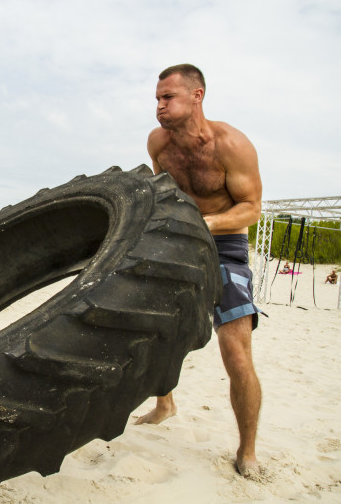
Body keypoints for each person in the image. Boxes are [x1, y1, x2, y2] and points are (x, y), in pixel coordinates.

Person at [138, 64, 264, 478]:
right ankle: (165, 403)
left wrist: (206, 224)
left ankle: (247, 450)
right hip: (179, 238)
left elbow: (252, 209)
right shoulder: (158, 143)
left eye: (167, 97)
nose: (159, 106)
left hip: (225, 244)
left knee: (236, 353)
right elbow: (163, 194)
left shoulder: (231, 145)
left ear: (197, 96)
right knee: (156, 331)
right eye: (157, 98)